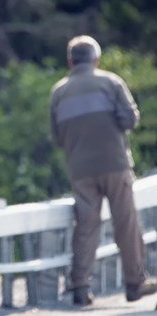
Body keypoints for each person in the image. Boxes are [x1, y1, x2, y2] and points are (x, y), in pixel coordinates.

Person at [50, 35, 157, 306]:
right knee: (126, 223)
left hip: (80, 169)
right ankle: (135, 283)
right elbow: (130, 119)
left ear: (71, 62)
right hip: (115, 164)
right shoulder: (111, 82)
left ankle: (80, 288)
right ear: (96, 60)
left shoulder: (59, 91)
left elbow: (58, 137)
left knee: (86, 226)